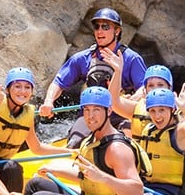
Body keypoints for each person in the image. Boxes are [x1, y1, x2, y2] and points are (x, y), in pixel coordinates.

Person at [24, 86, 144, 195]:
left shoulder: (117, 149)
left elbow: (137, 191)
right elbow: (87, 179)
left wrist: (104, 178)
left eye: (96, 110)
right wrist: (56, 172)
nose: (90, 116)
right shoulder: (90, 141)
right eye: (86, 110)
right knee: (34, 186)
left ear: (109, 111)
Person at [37, 8, 147, 147]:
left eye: (105, 27)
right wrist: (48, 101)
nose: (99, 31)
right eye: (97, 26)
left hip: (119, 116)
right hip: (89, 116)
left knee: (126, 144)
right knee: (75, 144)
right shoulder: (82, 58)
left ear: (117, 31)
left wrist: (136, 97)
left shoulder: (131, 58)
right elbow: (58, 82)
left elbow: (145, 87)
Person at [0, 67, 74, 193]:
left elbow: (37, 148)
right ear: (8, 89)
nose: (23, 91)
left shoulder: (27, 116)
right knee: (11, 167)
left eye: (27, 87)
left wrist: (70, 152)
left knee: (13, 169)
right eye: (17, 86)